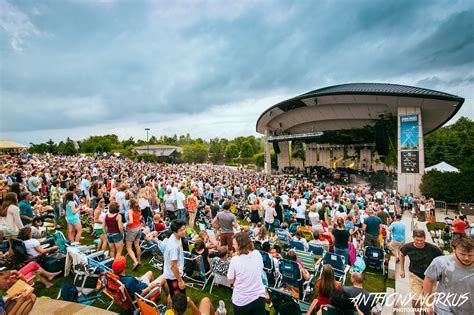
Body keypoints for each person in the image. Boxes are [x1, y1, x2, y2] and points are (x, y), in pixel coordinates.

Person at [423, 234, 474, 315]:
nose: (467, 258)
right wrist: (427, 303)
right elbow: (428, 280)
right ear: (454, 249)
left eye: (471, 255)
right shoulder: (440, 263)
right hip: (444, 310)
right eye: (462, 254)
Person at [400, 229, 443, 315]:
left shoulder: (433, 249)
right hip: (415, 275)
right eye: (417, 240)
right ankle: (417, 313)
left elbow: (442, 260)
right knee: (416, 299)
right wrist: (402, 269)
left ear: (424, 239)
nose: (419, 242)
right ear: (413, 238)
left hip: (431, 278)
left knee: (428, 303)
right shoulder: (407, 247)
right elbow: (402, 254)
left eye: (421, 240)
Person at [227, 232, 266, 315]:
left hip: (242, 300)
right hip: (259, 297)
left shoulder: (235, 260)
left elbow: (230, 280)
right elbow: (260, 269)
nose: (233, 246)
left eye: (235, 244)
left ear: (241, 245)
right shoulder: (257, 253)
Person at [163, 219, 187, 298]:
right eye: (181, 230)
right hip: (173, 277)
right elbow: (173, 266)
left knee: (173, 294)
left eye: (184, 229)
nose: (184, 231)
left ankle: (169, 305)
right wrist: (180, 281)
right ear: (174, 232)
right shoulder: (173, 246)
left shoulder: (177, 237)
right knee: (179, 298)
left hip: (175, 273)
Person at [126, 199, 142, 270]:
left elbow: (131, 221)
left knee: (128, 247)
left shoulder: (130, 211)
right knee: (137, 245)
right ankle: (139, 260)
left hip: (132, 229)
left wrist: (126, 224)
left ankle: (135, 262)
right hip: (138, 228)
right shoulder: (138, 210)